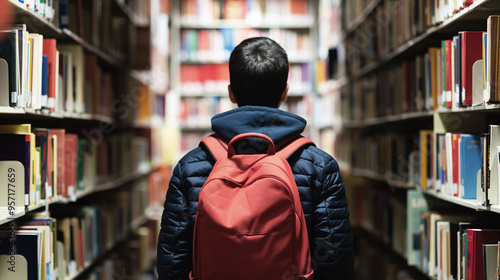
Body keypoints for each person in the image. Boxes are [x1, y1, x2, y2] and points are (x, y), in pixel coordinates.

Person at [157, 37, 354, 280]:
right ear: (284, 92)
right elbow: (335, 262)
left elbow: (172, 262)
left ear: (231, 93)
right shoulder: (321, 167)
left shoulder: (190, 166)